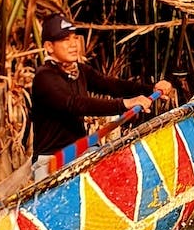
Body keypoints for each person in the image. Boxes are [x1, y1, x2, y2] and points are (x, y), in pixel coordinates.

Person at [31, 12, 173, 180]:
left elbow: (110, 85)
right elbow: (74, 104)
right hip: (50, 163)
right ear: (49, 47)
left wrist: (150, 89)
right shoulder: (44, 77)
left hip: (81, 154)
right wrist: (125, 104)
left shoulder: (80, 71)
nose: (73, 45)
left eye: (75, 38)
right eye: (64, 40)